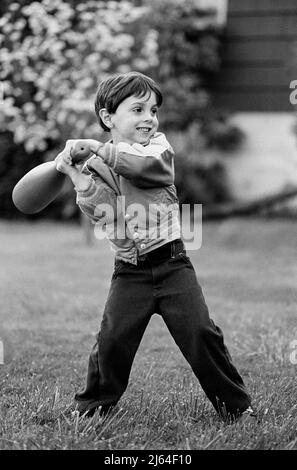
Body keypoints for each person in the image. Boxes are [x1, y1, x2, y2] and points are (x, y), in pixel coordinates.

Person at [55, 71, 256, 422]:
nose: (149, 117)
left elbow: (145, 169)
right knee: (112, 340)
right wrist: (77, 177)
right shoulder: (98, 165)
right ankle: (91, 408)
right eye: (138, 110)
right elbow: (103, 212)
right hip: (129, 272)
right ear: (108, 117)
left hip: (172, 265)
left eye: (153, 110)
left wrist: (100, 148)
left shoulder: (158, 149)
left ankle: (237, 408)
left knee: (200, 334)